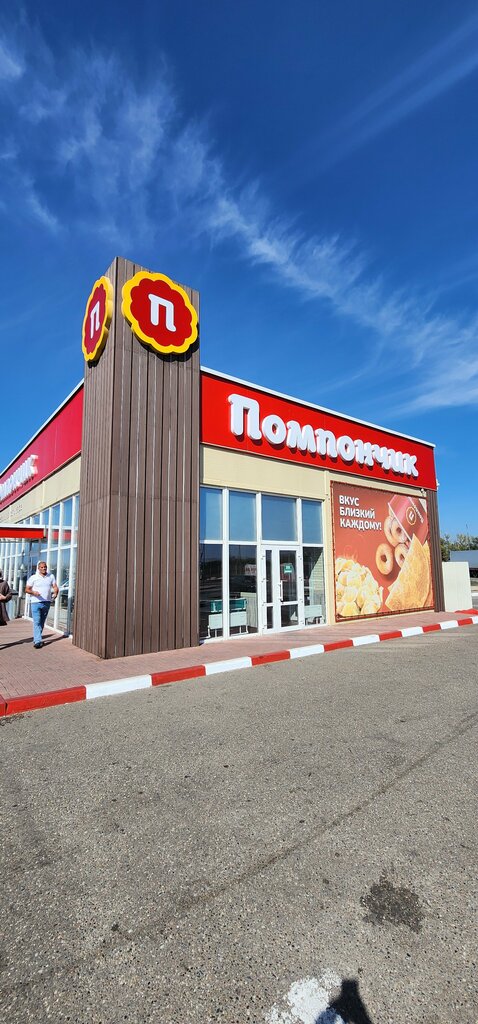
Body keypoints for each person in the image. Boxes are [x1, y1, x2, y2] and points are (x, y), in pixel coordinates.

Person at [25, 561, 59, 649]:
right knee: (37, 621)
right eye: (42, 567)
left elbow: (55, 586)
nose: (44, 568)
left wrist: (56, 593)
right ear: (38, 568)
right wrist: (33, 592)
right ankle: (37, 641)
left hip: (46, 602)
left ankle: (37, 638)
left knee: (41, 622)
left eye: (45, 567)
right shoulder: (33, 578)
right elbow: (27, 589)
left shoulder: (51, 576)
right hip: (35, 602)